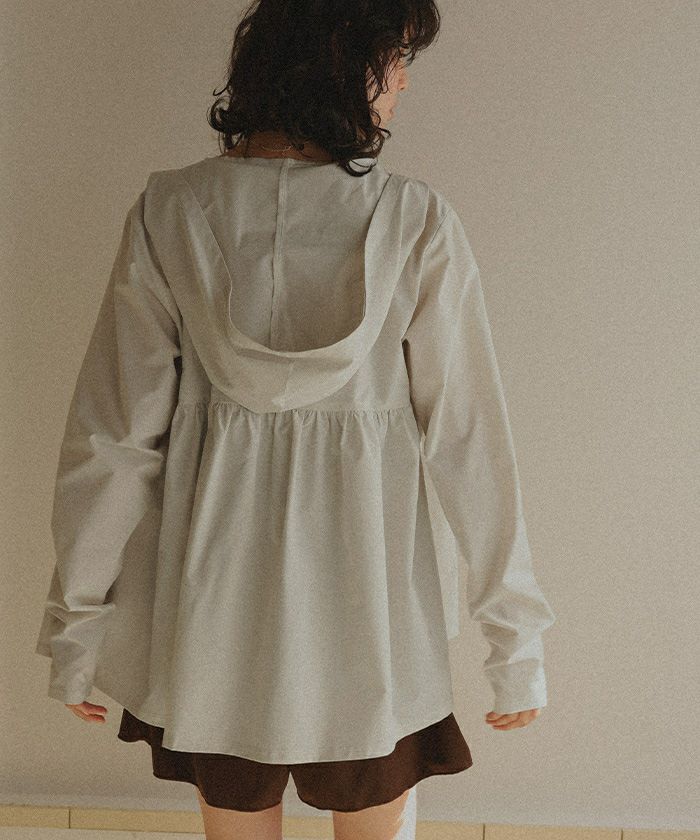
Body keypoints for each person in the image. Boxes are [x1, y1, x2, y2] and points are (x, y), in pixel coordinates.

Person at [35, 1, 556, 838]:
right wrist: (514, 642)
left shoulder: (173, 211)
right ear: (339, 65)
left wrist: (78, 623)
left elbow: (113, 438)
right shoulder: (415, 220)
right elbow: (469, 444)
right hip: (373, 608)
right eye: (393, 59)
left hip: (209, 610)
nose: (402, 83)